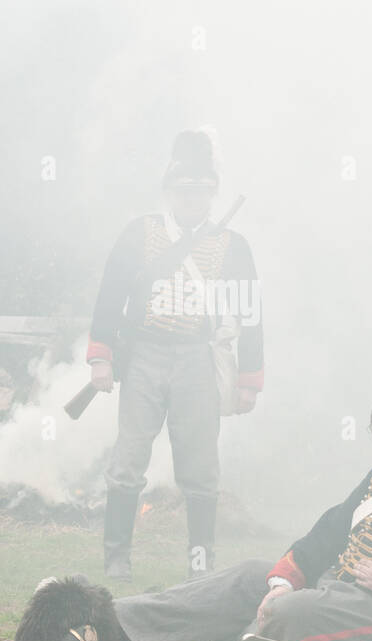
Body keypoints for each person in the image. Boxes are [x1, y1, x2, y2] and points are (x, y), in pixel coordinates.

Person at [97, 387, 372, 641]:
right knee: (251, 577)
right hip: (338, 588)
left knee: (288, 613)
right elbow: (332, 529)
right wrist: (284, 581)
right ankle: (107, 622)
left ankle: (228, 624)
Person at [86, 129, 264, 581]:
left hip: (198, 361)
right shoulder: (140, 232)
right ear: (168, 192)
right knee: (129, 458)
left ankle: (200, 563)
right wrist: (101, 355)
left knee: (201, 466)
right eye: (184, 191)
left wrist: (248, 380)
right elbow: (111, 295)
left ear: (212, 194)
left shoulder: (233, 245)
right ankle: (117, 558)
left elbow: (250, 315)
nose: (191, 199)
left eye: (200, 191)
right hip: (143, 357)